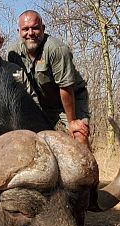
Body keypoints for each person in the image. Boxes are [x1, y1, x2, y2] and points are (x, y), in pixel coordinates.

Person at [8, 10, 90, 147]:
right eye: (25, 29)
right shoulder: (13, 53)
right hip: (41, 104)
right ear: (19, 31)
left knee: (79, 135)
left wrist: (72, 121)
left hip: (70, 100)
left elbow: (65, 87)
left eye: (35, 28)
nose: (30, 33)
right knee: (29, 142)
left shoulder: (56, 49)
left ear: (43, 29)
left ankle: (88, 166)